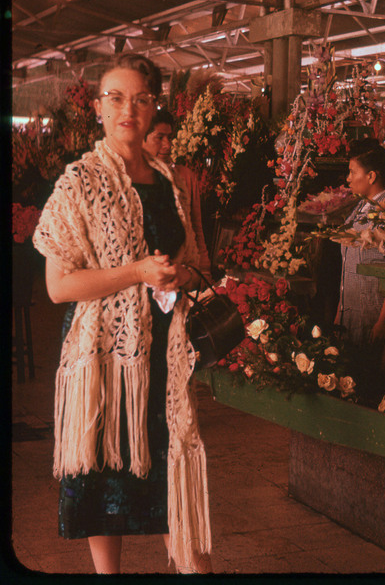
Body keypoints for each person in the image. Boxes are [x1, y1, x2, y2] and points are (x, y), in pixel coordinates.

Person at [32, 53, 212, 575]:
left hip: (166, 354)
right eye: (115, 97)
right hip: (106, 356)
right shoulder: (78, 183)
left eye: (139, 98)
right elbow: (59, 288)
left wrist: (177, 274)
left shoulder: (170, 181)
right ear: (97, 106)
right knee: (107, 475)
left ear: (154, 105)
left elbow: (193, 258)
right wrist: (136, 272)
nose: (127, 109)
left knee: (170, 466)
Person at [334, 138, 385, 348]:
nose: (348, 178)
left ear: (371, 176)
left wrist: (383, 323)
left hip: (372, 320)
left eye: (353, 172)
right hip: (350, 317)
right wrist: (339, 314)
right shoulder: (359, 208)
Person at [143, 108, 212, 278]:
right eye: (159, 138)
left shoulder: (185, 176)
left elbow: (196, 226)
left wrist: (204, 269)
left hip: (185, 272)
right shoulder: (130, 179)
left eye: (169, 137)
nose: (168, 145)